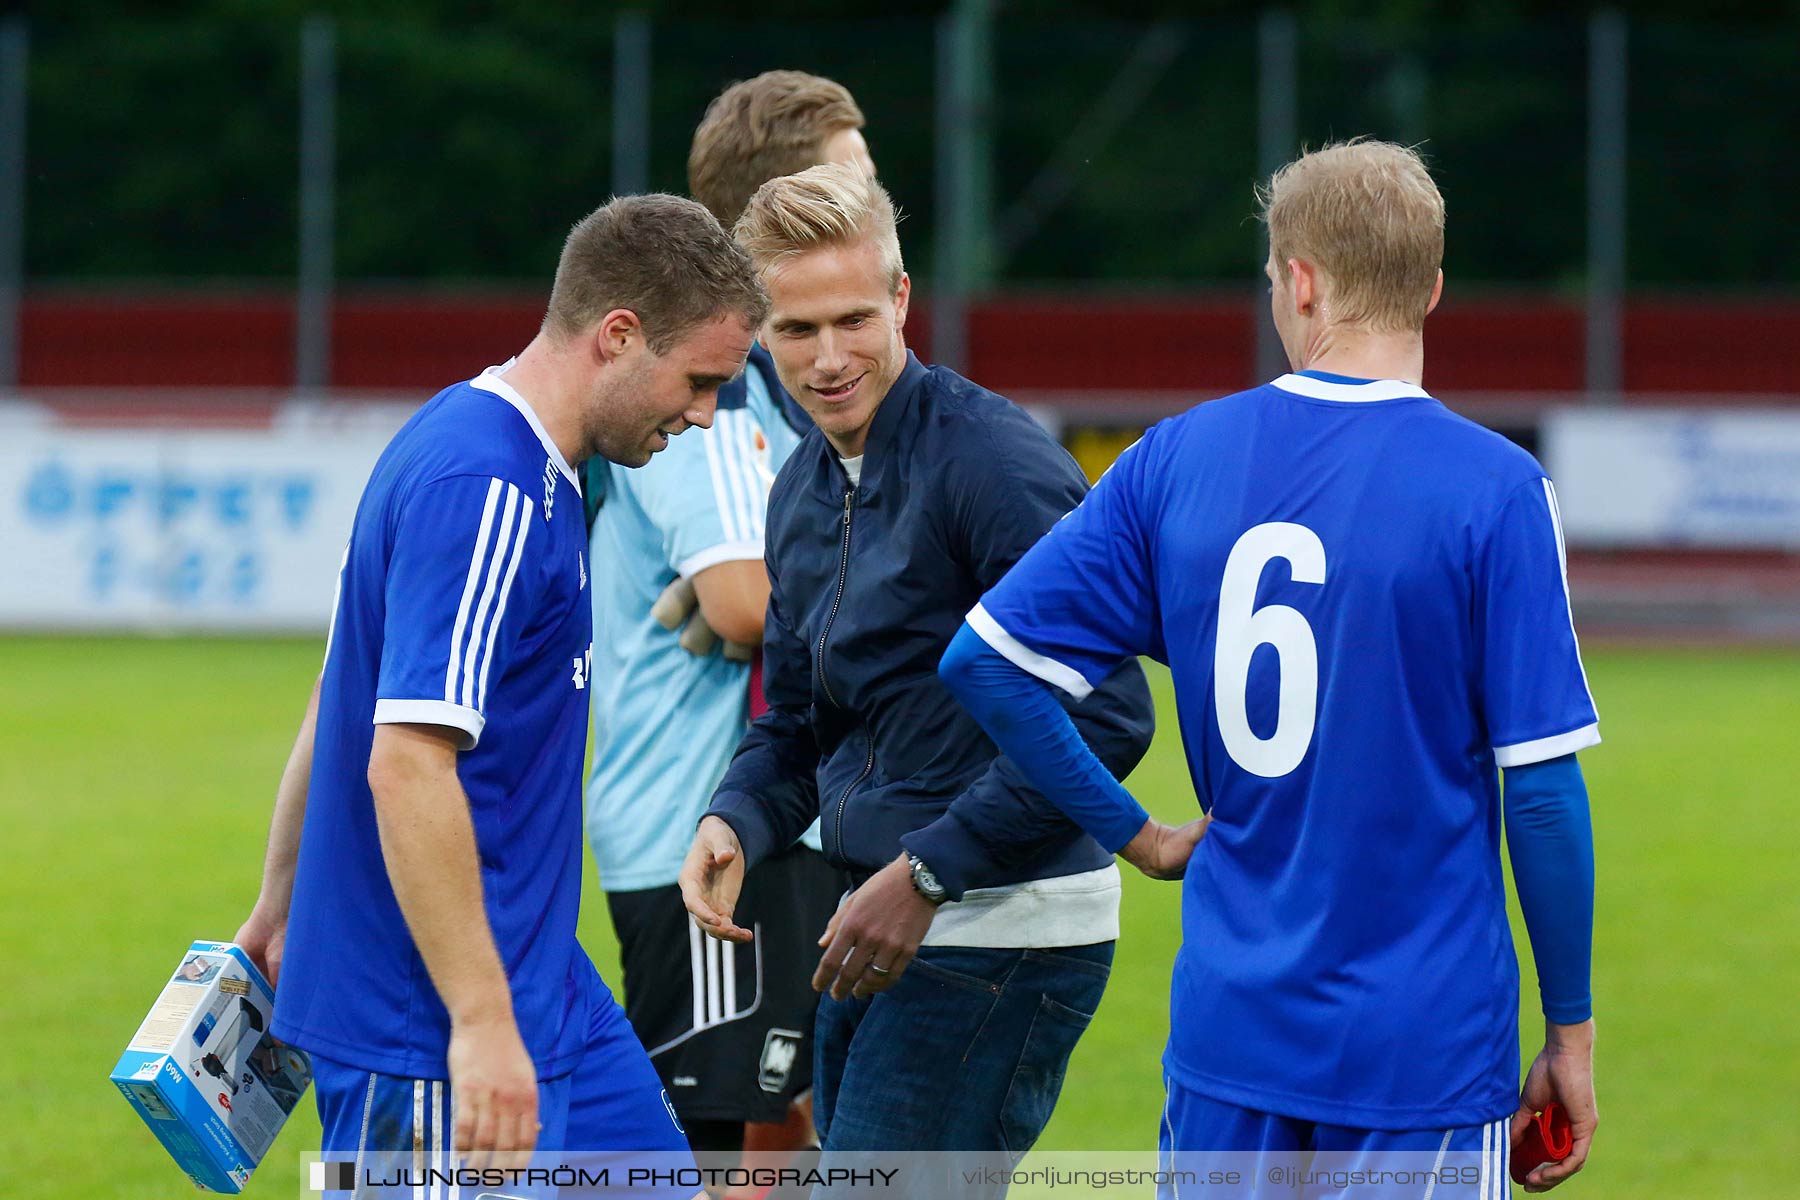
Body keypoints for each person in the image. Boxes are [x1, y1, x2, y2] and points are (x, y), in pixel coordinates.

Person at [940, 140, 1600, 1196]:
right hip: (1419, 1050)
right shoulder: (1498, 489)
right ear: (1431, 287)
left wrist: (1140, 837)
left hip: (1230, 1036)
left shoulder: (1173, 457)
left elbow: (985, 664)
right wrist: (1570, 1033)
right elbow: (1545, 794)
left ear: (1299, 279)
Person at [232, 194, 767, 1193]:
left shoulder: (508, 456)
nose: (703, 416)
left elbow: (340, 690)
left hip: (540, 983)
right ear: (619, 335)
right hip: (429, 1020)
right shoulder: (487, 488)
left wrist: (277, 900)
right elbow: (406, 759)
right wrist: (478, 1024)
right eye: (701, 382)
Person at [678, 163, 1189, 1172]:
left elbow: (1110, 713)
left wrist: (930, 868)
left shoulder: (995, 464)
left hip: (1008, 930)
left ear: (904, 299)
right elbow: (796, 723)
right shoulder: (798, 490)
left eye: (855, 319)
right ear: (754, 329)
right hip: (871, 924)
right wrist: (732, 817)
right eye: (795, 329)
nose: (829, 358)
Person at [582, 72, 872, 1170]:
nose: (879, 195)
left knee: (786, 1124)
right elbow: (745, 602)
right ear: (789, 199)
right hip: (699, 836)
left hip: (769, 829)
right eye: (858, 174)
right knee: (724, 1147)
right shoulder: (709, 389)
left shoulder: (784, 387)